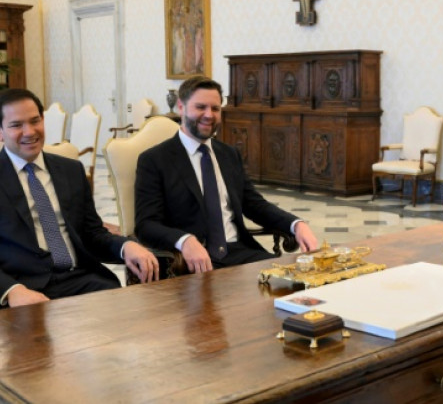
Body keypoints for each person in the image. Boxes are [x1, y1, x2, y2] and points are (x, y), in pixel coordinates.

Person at [0, 89, 159, 308]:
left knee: (137, 317)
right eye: (16, 125)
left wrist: (126, 246)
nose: (29, 132)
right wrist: (12, 291)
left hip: (82, 281)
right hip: (22, 289)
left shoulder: (71, 170)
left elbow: (92, 234)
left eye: (35, 121)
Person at [135, 76, 319, 274]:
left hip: (241, 253)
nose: (209, 115)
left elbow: (255, 204)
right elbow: (146, 224)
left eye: (215, 108)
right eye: (200, 107)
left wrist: (296, 224)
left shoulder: (229, 154)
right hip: (193, 261)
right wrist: (184, 240)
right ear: (181, 107)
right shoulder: (154, 160)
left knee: (297, 282)